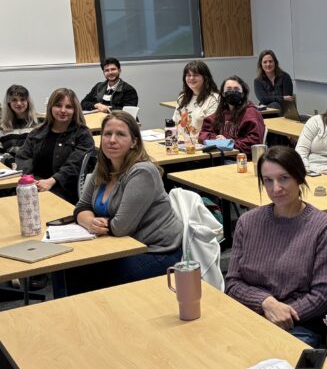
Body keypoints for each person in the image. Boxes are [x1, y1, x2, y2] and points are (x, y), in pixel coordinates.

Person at [224, 146, 327, 346]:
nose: (275, 188)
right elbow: (233, 283)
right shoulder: (247, 222)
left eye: (284, 178)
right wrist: (266, 303)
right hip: (251, 315)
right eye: (268, 181)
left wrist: (281, 315)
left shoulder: (324, 228)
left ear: (299, 177)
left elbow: (322, 296)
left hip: (298, 323)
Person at [71, 111, 182, 290]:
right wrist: (91, 222)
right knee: (68, 269)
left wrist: (98, 223)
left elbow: (121, 227)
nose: (112, 140)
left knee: (88, 277)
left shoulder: (142, 172)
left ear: (134, 142)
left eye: (120, 134)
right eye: (107, 134)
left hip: (156, 251)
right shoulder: (103, 166)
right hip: (120, 245)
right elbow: (81, 207)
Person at [15, 88, 94, 204]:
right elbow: (23, 156)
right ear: (50, 107)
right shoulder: (38, 132)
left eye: (68, 107)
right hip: (33, 185)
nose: (63, 110)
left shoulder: (82, 134)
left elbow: (74, 165)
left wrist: (52, 181)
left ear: (75, 110)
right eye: (58, 105)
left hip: (63, 189)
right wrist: (31, 181)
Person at [198, 76, 266, 157]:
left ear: (243, 93)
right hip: (220, 157)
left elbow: (254, 142)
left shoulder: (251, 113)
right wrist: (217, 140)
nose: (233, 92)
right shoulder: (222, 112)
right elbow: (204, 133)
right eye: (229, 89)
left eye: (236, 89)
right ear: (223, 94)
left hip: (241, 159)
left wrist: (228, 143)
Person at [0, 84, 39, 167]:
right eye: (14, 100)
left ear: (28, 102)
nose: (19, 103)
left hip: (34, 166)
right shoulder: (1, 125)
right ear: (9, 103)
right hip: (11, 167)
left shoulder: (39, 123)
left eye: (22, 99)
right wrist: (9, 161)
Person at [172, 60, 220, 134]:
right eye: (188, 75)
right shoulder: (182, 98)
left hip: (200, 144)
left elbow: (211, 130)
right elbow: (174, 124)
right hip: (180, 142)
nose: (191, 78)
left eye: (195, 75)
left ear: (205, 77)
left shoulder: (214, 99)